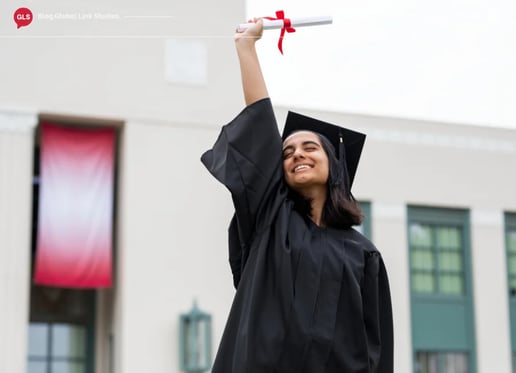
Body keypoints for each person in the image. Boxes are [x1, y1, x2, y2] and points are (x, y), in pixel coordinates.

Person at [201, 18, 393, 373]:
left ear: (334, 165)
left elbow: (375, 348)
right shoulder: (272, 220)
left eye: (310, 148)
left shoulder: (364, 256)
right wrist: (246, 48)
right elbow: (260, 126)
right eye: (287, 153)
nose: (297, 155)